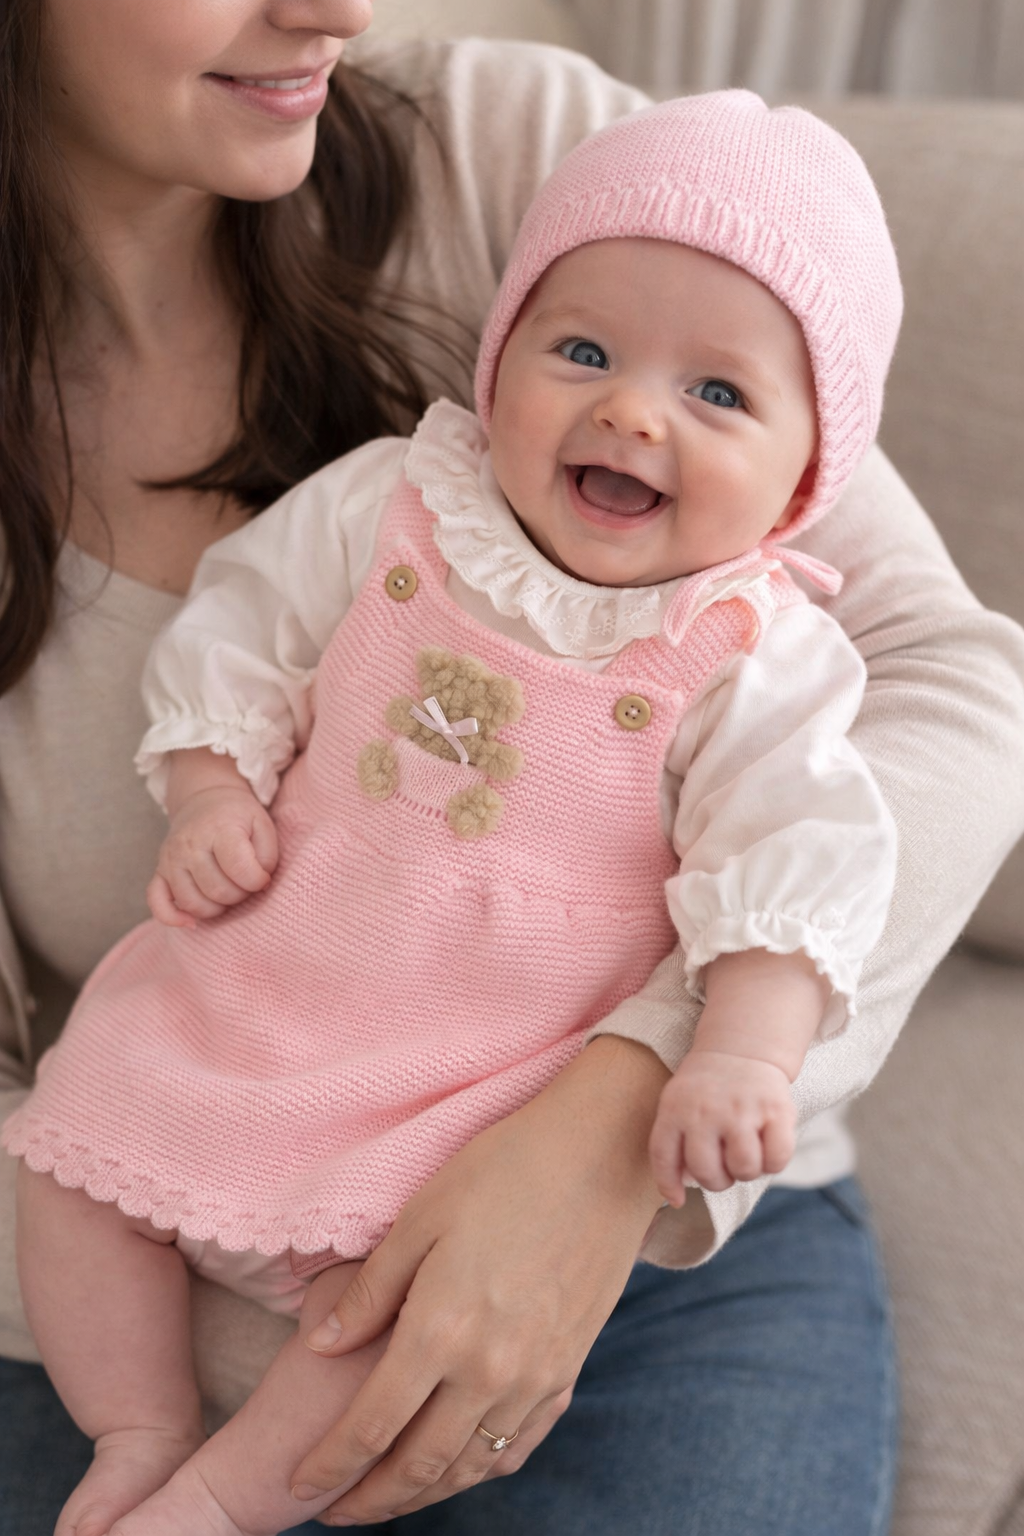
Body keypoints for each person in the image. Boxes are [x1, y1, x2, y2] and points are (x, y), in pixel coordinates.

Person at [0, 5, 1021, 1536]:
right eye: (583, 353)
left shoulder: (580, 195)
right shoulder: (414, 501)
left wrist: (646, 1109)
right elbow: (246, 628)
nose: (337, 9)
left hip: (653, 1225)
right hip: (214, 1131)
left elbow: (885, 768)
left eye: (715, 398)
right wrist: (215, 784)